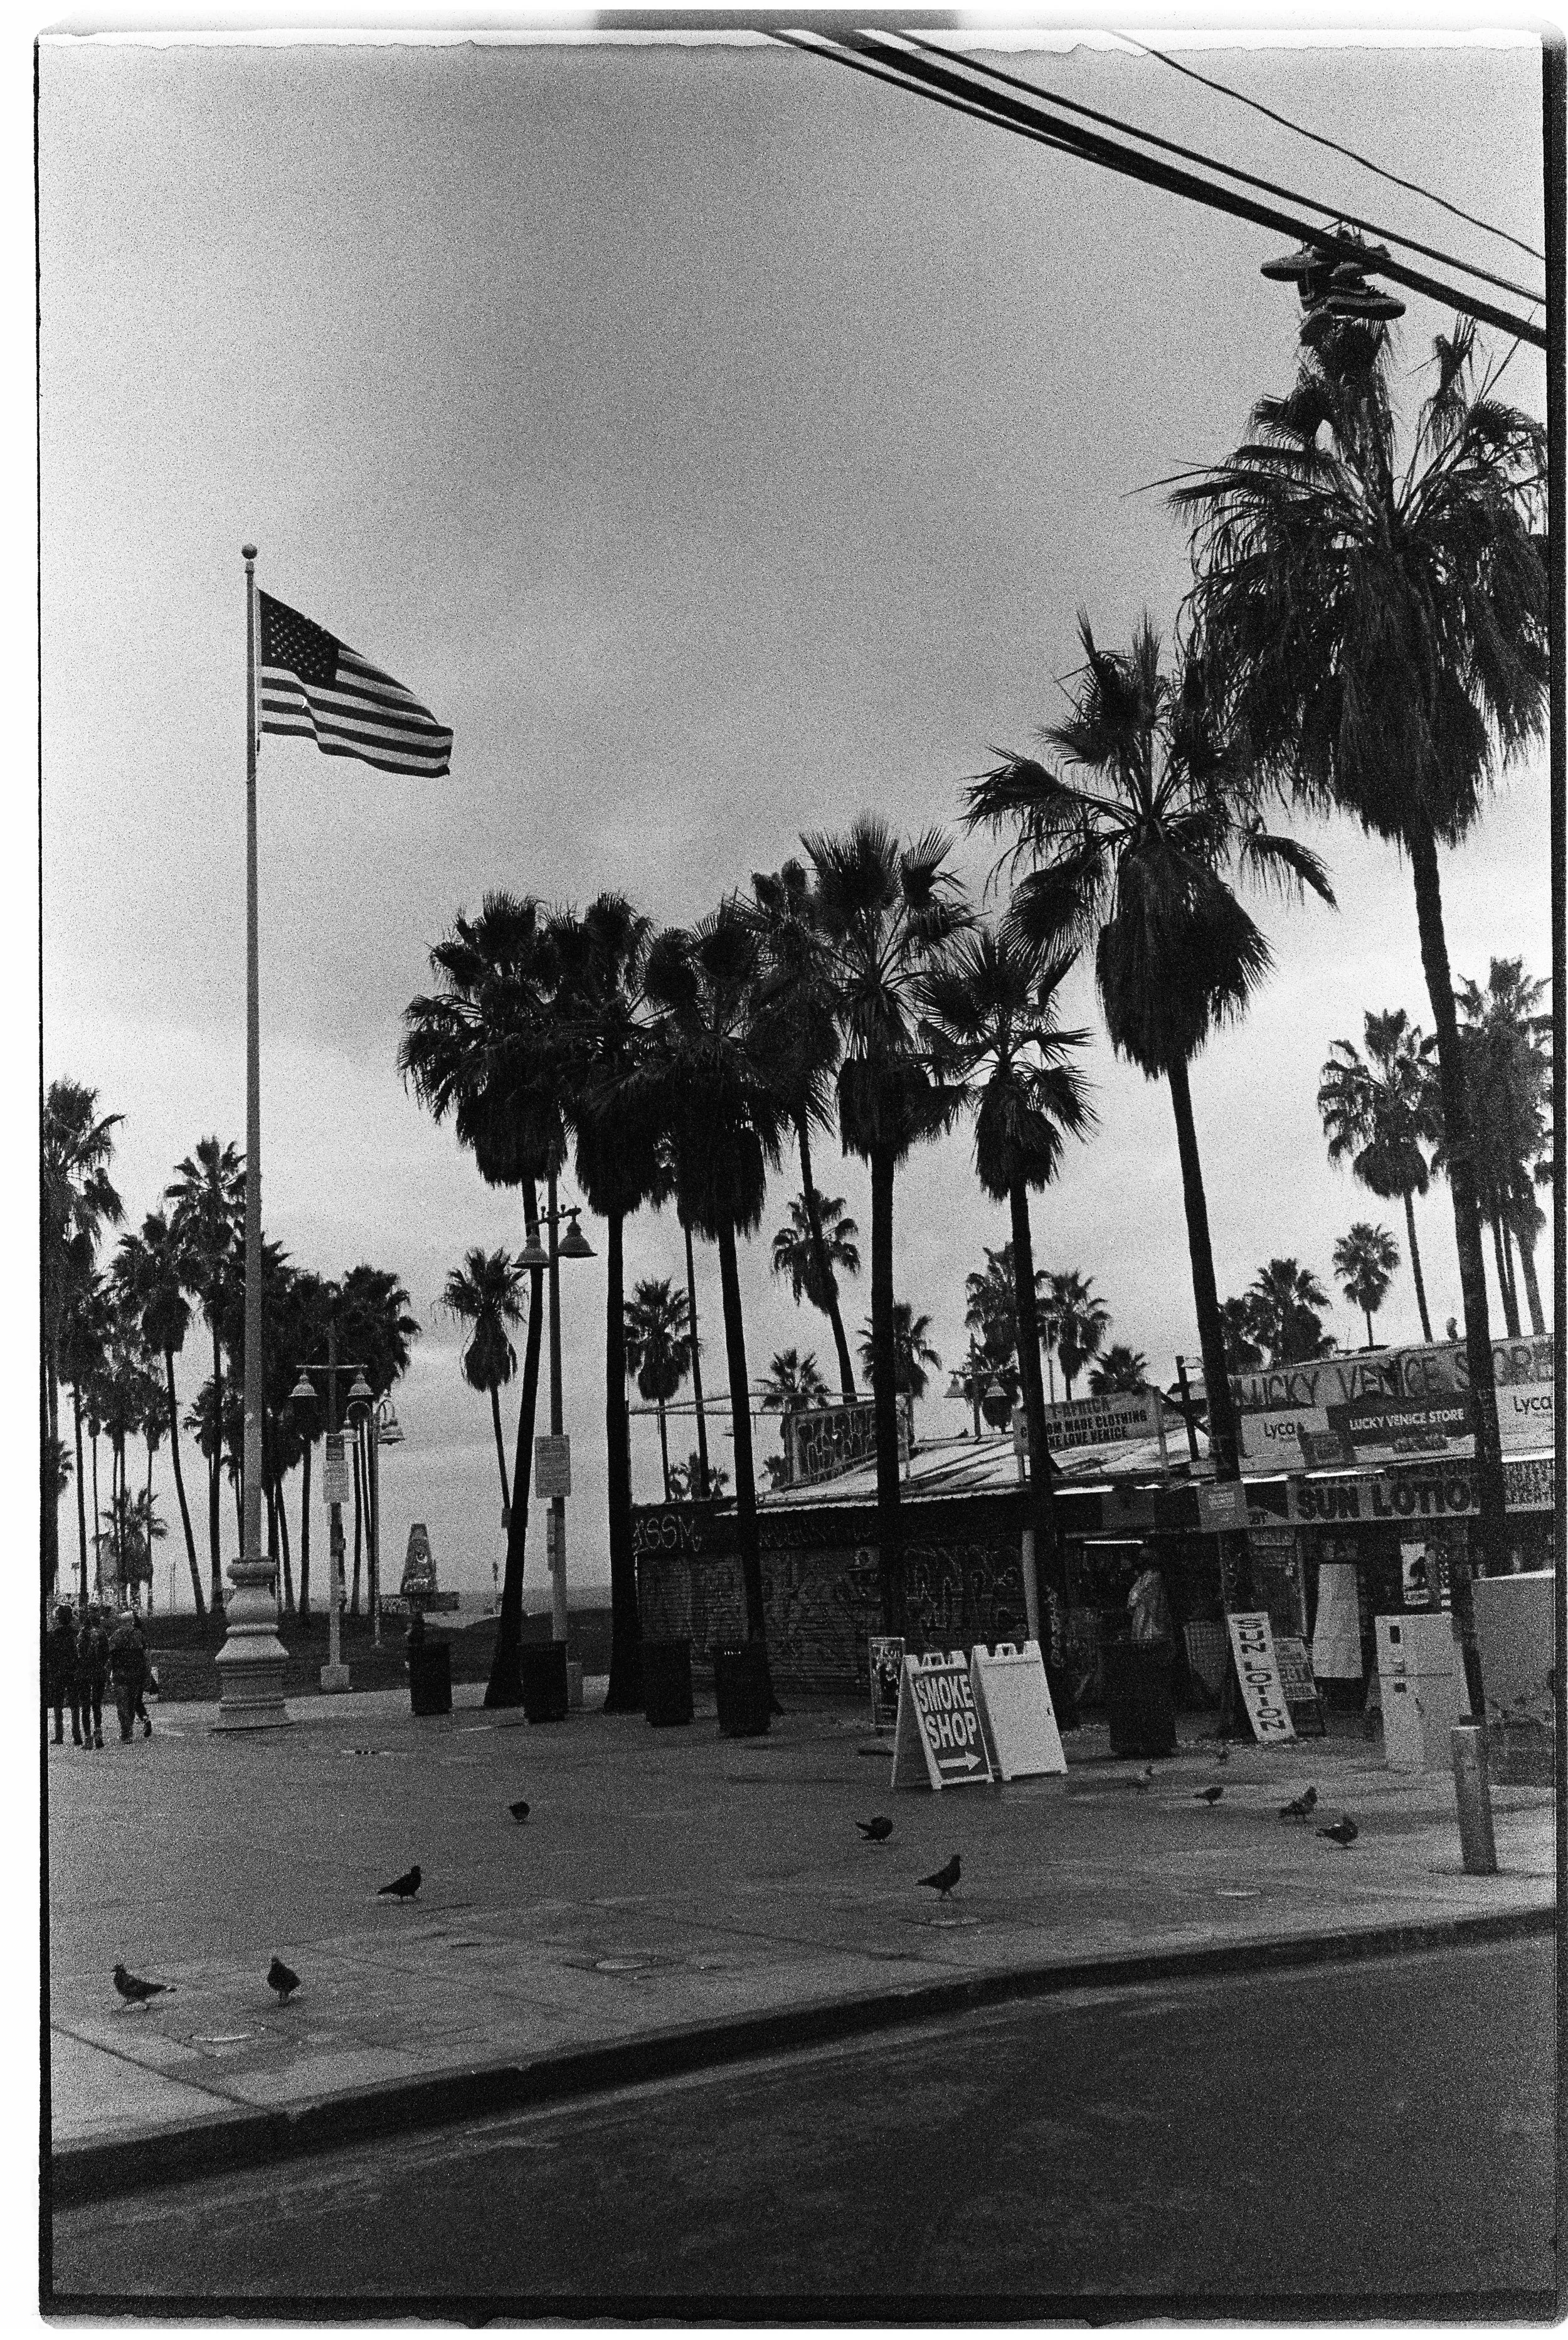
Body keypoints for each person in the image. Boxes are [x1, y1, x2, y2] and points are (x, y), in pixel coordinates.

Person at [108, 1612, 149, 1743]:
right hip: (135, 1674)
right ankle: (129, 1731)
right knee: (131, 1704)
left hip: (120, 1674)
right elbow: (144, 1655)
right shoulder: (139, 1635)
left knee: (122, 1705)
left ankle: (126, 1732)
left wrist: (110, 1671)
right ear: (132, 1621)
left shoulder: (116, 1636)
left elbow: (111, 1655)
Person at [46, 1604, 82, 1746]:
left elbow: (49, 1656)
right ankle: (77, 1735)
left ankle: (59, 1735)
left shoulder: (54, 1635)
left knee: (58, 1705)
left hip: (58, 1672)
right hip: (73, 1671)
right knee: (74, 1704)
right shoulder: (76, 1633)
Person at [77, 1604, 109, 1750]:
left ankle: (88, 1737)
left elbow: (78, 1654)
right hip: (98, 1672)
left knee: (85, 1706)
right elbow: (106, 1654)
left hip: (84, 1672)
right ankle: (98, 1733)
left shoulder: (82, 1634)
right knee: (96, 1705)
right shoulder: (102, 1634)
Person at [1128, 1556, 1173, 1646]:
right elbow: (1134, 1597)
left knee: (1151, 1641)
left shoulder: (1153, 1577)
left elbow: (1136, 1597)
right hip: (1145, 1614)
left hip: (1151, 1615)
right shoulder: (1143, 1578)